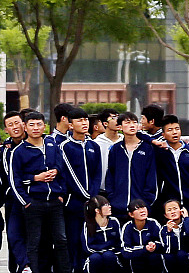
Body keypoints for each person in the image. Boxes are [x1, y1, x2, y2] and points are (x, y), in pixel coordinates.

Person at [12, 110, 72, 273]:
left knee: (61, 240)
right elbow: (15, 180)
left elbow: (63, 170)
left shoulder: (52, 145)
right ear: (25, 127)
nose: (36, 128)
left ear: (44, 126)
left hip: (54, 201)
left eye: (39, 124)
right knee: (34, 242)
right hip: (34, 202)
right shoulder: (19, 151)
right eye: (31, 125)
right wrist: (28, 197)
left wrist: (61, 194)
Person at [61, 105, 103, 273]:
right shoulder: (65, 147)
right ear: (70, 125)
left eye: (86, 120)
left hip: (92, 203)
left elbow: (97, 173)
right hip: (73, 204)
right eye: (79, 120)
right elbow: (69, 175)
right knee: (73, 241)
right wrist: (86, 195)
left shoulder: (94, 146)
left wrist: (93, 195)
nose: (84, 123)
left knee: (91, 240)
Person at [104, 111, 158, 220]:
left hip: (141, 208)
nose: (132, 125)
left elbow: (152, 177)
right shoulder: (116, 149)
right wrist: (112, 198)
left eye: (134, 122)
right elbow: (110, 175)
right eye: (127, 122)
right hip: (118, 207)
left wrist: (146, 201)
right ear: (120, 126)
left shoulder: (147, 149)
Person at [2, 111, 28, 273]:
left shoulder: (38, 142)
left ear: (23, 123)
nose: (15, 127)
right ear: (6, 129)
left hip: (37, 197)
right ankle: (21, 266)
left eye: (17, 123)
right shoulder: (6, 149)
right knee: (13, 235)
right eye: (10, 125)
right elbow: (9, 175)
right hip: (13, 199)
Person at [156, 114, 189, 218]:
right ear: (163, 135)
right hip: (169, 203)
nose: (174, 132)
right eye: (170, 130)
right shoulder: (159, 152)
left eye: (177, 129)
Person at [119, 198, 164, 273]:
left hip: (152, 256)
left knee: (155, 257)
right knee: (134, 260)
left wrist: (154, 245)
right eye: (137, 209)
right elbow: (125, 250)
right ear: (131, 214)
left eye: (143, 207)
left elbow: (162, 242)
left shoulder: (153, 223)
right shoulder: (127, 227)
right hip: (135, 258)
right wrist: (144, 248)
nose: (142, 211)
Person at [83, 195, 122, 273]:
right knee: (95, 258)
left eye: (109, 204)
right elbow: (87, 247)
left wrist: (108, 251)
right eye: (106, 205)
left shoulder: (114, 221)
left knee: (109, 256)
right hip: (95, 255)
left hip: (112, 254)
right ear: (97, 210)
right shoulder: (88, 225)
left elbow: (119, 242)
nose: (109, 207)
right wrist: (104, 250)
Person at [159, 199, 189, 273]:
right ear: (165, 215)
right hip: (173, 259)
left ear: (181, 211)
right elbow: (168, 250)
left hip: (188, 256)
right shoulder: (163, 229)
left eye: (175, 209)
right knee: (168, 256)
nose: (173, 212)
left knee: (181, 254)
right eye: (169, 210)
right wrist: (169, 232)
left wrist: (187, 218)